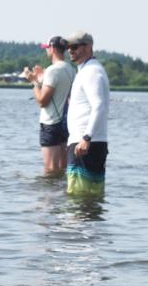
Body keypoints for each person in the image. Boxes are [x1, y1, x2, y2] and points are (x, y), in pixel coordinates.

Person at [64, 31, 109, 196]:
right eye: (68, 47)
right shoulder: (86, 70)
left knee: (78, 196)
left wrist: (86, 137)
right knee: (91, 198)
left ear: (88, 47)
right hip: (88, 143)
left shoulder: (91, 72)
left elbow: (99, 105)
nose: (70, 50)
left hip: (84, 145)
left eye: (75, 46)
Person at [22, 35, 75, 175]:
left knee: (50, 170)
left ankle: (49, 197)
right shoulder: (70, 69)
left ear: (52, 49)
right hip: (64, 123)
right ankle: (61, 196)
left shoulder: (53, 70)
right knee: (62, 169)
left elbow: (42, 101)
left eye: (47, 48)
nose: (46, 51)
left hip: (50, 123)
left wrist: (33, 81)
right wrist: (40, 80)